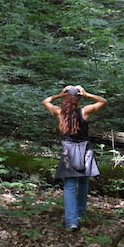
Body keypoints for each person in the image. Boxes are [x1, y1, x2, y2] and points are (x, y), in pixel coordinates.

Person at [42, 85, 107, 231]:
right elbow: (103, 101)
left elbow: (45, 101)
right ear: (78, 98)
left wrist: (59, 95)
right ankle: (80, 214)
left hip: (69, 152)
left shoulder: (59, 112)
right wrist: (87, 94)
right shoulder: (84, 112)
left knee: (70, 186)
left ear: (66, 98)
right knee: (84, 182)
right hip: (85, 151)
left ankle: (72, 221)